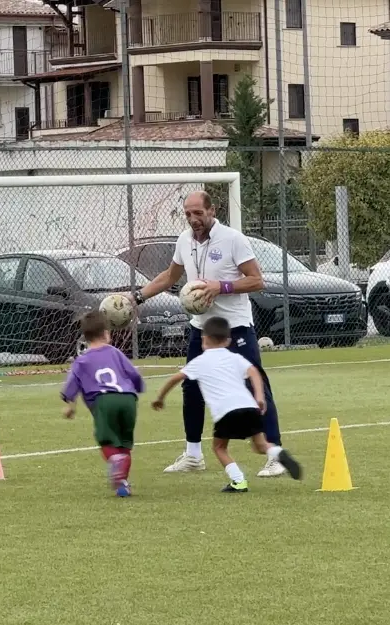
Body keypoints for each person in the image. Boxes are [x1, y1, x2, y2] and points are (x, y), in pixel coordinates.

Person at [128, 190, 286, 477]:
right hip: (201, 329)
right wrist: (136, 298)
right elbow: (169, 277)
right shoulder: (184, 241)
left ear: (212, 210)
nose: (193, 219)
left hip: (235, 327)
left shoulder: (233, 239)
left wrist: (220, 287)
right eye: (188, 214)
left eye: (198, 213)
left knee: (255, 384)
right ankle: (193, 455)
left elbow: (256, 280)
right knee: (191, 387)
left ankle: (275, 453)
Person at [152, 316, 301, 492]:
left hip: (226, 413)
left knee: (219, 448)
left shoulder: (199, 362)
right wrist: (259, 396)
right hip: (250, 407)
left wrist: (160, 397)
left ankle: (238, 481)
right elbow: (254, 372)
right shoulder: (235, 357)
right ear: (228, 340)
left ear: (204, 339)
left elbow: (176, 378)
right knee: (261, 445)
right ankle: (278, 453)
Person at [60, 310, 145, 497]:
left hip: (104, 401)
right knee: (124, 445)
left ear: (85, 337)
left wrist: (69, 405)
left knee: (107, 441)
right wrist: (138, 387)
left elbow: (72, 384)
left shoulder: (81, 361)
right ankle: (122, 484)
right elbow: (134, 374)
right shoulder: (116, 353)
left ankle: (115, 462)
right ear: (107, 333)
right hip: (128, 399)